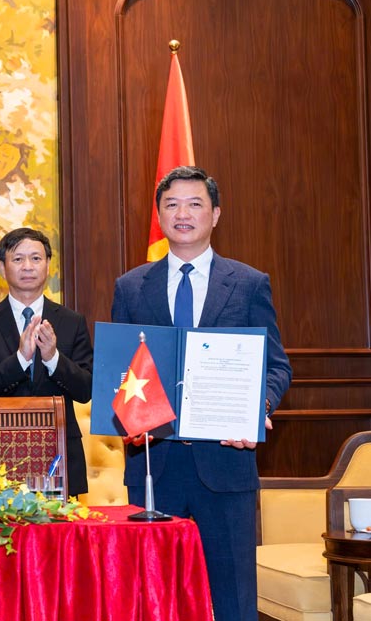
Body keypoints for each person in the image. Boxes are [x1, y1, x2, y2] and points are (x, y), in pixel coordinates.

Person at [111, 165, 292, 621]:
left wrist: (257, 407)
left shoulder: (249, 283)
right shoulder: (131, 287)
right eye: (171, 205)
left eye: (195, 204)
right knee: (151, 598)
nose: (183, 214)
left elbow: (276, 366)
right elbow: (121, 371)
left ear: (215, 214)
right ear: (159, 216)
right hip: (154, 465)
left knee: (233, 600)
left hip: (226, 465)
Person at [0, 227, 93, 495]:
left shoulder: (72, 321)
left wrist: (53, 358)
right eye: (18, 259)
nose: (28, 266)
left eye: (36, 258)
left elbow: (86, 389)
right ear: (2, 267)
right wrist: (21, 359)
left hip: (60, 452)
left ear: (48, 265)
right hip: (0, 452)